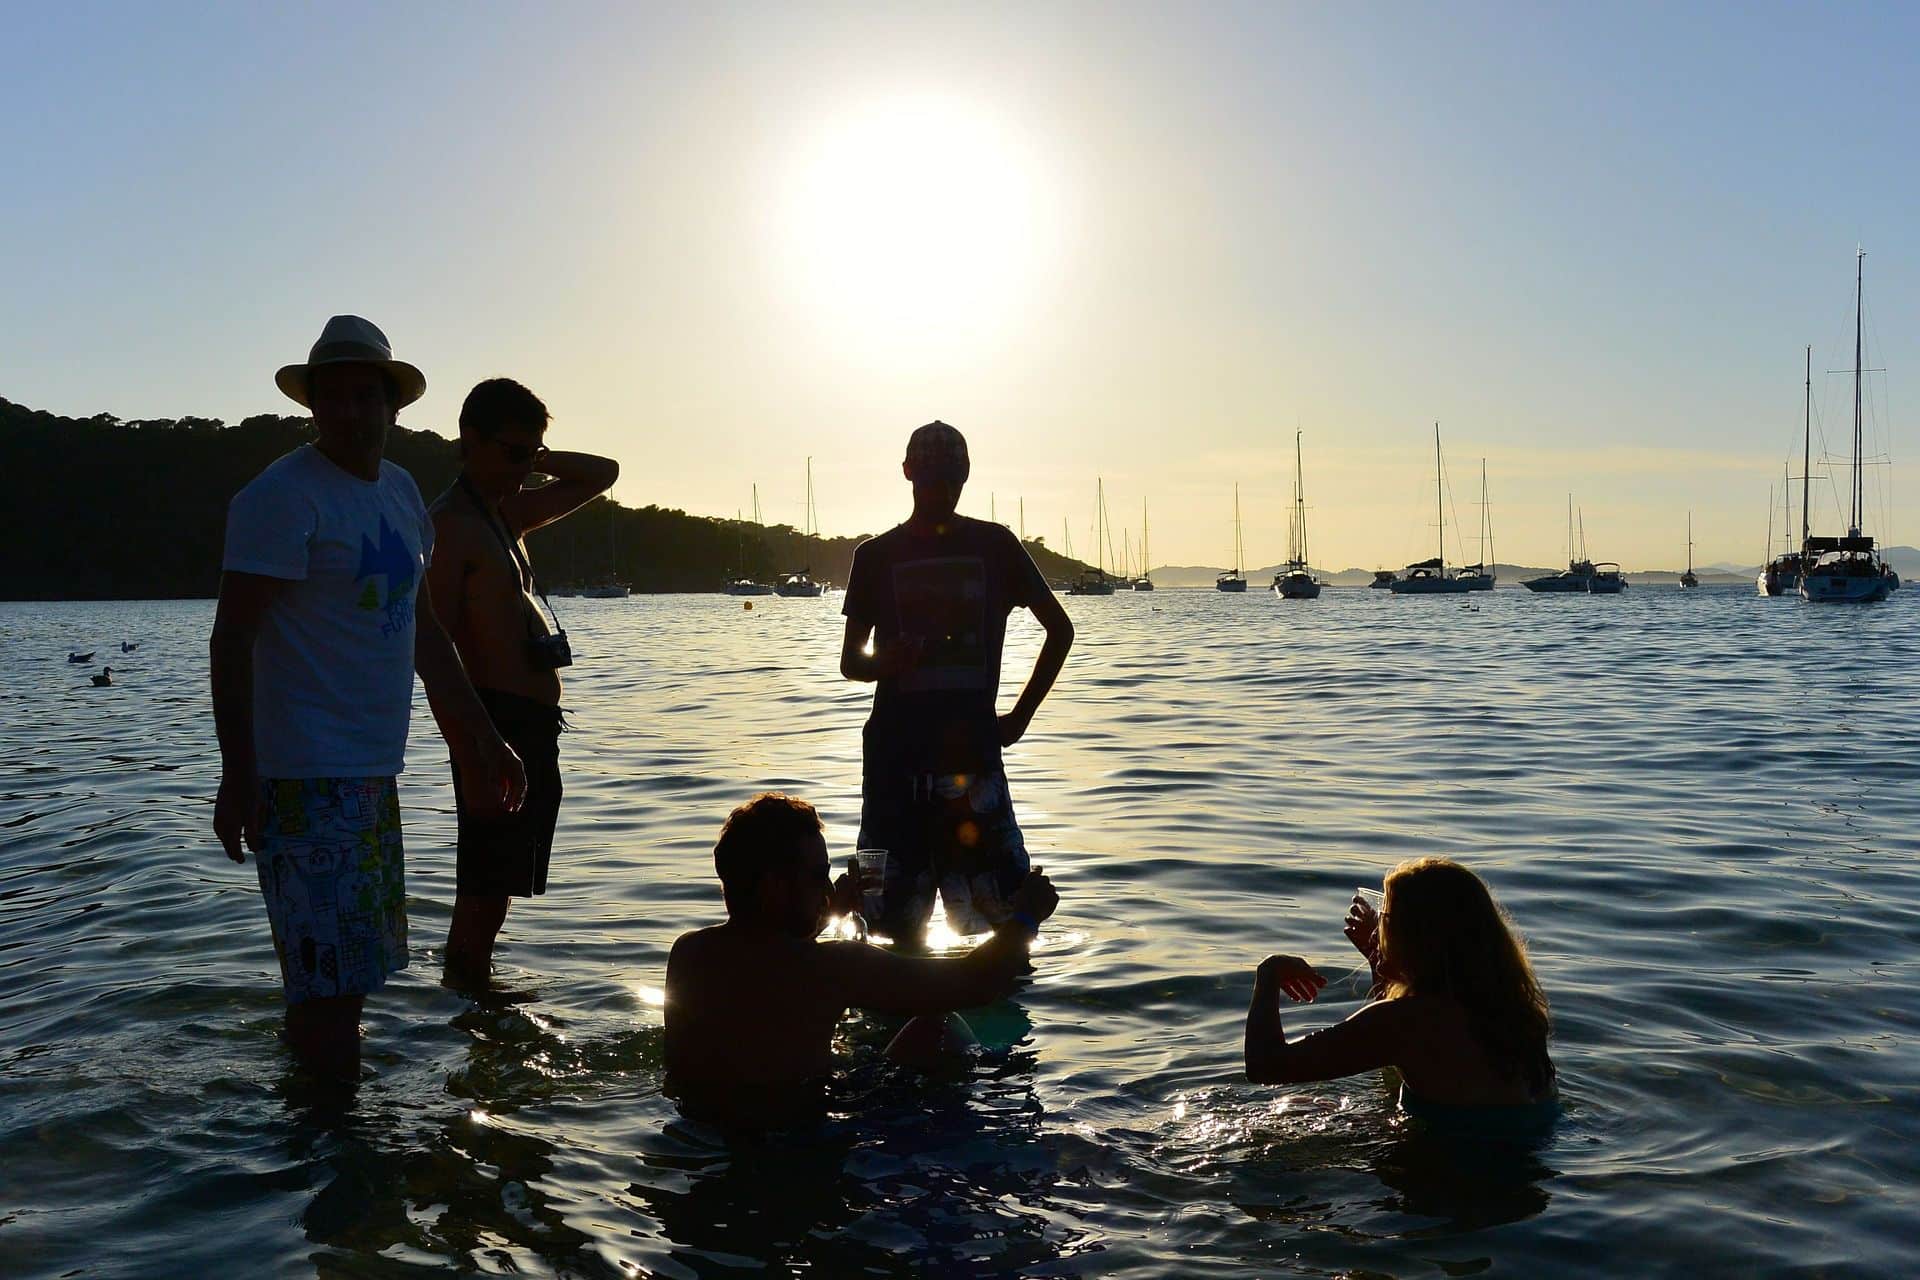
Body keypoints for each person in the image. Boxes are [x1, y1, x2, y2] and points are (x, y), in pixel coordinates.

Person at [210, 315, 526, 1077]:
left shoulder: (399, 491)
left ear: (392, 404)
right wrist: (238, 774)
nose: (348, 412)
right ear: (312, 406)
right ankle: (326, 1145)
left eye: (363, 396)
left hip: (372, 773)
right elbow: (233, 639)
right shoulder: (281, 497)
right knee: (323, 987)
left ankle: (333, 1132)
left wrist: (483, 740)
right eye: (332, 397)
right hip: (301, 776)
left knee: (353, 978)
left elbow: (420, 631)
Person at [664, 792, 1058, 1126]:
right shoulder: (834, 968)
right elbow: (977, 983)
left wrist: (824, 913)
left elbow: (768, 965)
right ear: (773, 887)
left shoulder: (688, 954)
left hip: (712, 1130)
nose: (825, 887)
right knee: (937, 1026)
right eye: (817, 875)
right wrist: (1026, 917)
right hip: (807, 1134)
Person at [838, 421, 1073, 949]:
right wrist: (887, 661)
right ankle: (897, 1021)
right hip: (894, 767)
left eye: (950, 479)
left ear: (966, 475)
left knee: (1004, 916)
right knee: (889, 928)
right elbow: (852, 661)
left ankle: (997, 1023)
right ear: (907, 475)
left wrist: (1019, 718)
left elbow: (1060, 629)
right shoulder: (874, 557)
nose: (941, 491)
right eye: (929, 479)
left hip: (972, 763)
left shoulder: (996, 546)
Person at [425, 378, 620, 986]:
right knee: (483, 890)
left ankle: (480, 1014)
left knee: (503, 889)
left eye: (531, 453)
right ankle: (465, 1009)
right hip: (493, 725)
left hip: (530, 728)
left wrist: (532, 459)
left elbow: (602, 473)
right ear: (469, 443)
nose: (524, 468)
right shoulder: (451, 526)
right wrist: (475, 742)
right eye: (511, 452)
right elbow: (431, 647)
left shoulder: (504, 513)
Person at [1244, 857, 1557, 1123]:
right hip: (1519, 1176)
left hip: (1444, 1181)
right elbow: (1403, 1065)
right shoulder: (1517, 1011)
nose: (1380, 929)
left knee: (1290, 1108)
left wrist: (1268, 974)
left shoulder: (1409, 1021)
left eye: (1387, 920)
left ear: (1419, 940)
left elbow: (1267, 1065)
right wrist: (1377, 958)